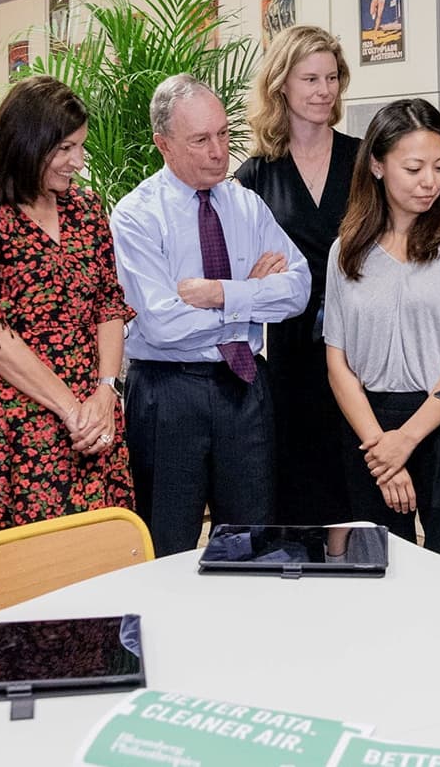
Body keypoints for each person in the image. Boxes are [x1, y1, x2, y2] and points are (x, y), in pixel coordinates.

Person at [0, 76, 136, 623]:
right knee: (10, 581)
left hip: (92, 425)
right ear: (26, 142)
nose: (77, 161)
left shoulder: (87, 210)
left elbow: (109, 306)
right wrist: (70, 407)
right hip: (8, 429)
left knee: (95, 570)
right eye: (64, 148)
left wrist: (103, 392)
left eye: (80, 146)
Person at [111, 74, 310, 556]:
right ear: (164, 145)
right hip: (167, 392)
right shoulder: (137, 216)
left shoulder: (245, 203)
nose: (219, 151)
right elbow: (160, 323)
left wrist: (220, 293)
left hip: (244, 388)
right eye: (201, 140)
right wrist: (252, 298)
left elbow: (298, 289)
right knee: (166, 543)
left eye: (223, 133)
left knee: (251, 542)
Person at [324, 98, 440, 563]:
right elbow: (338, 363)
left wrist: (405, 440)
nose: (430, 181)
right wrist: (382, 452)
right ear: (377, 165)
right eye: (413, 168)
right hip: (370, 427)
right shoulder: (346, 250)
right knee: (379, 570)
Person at [236, 25, 358, 525]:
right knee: (295, 487)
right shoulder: (255, 175)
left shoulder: (363, 159)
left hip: (356, 343)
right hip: (289, 350)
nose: (324, 91)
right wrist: (255, 277)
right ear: (281, 84)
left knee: (352, 485)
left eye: (331, 78)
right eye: (310, 79)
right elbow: (238, 271)